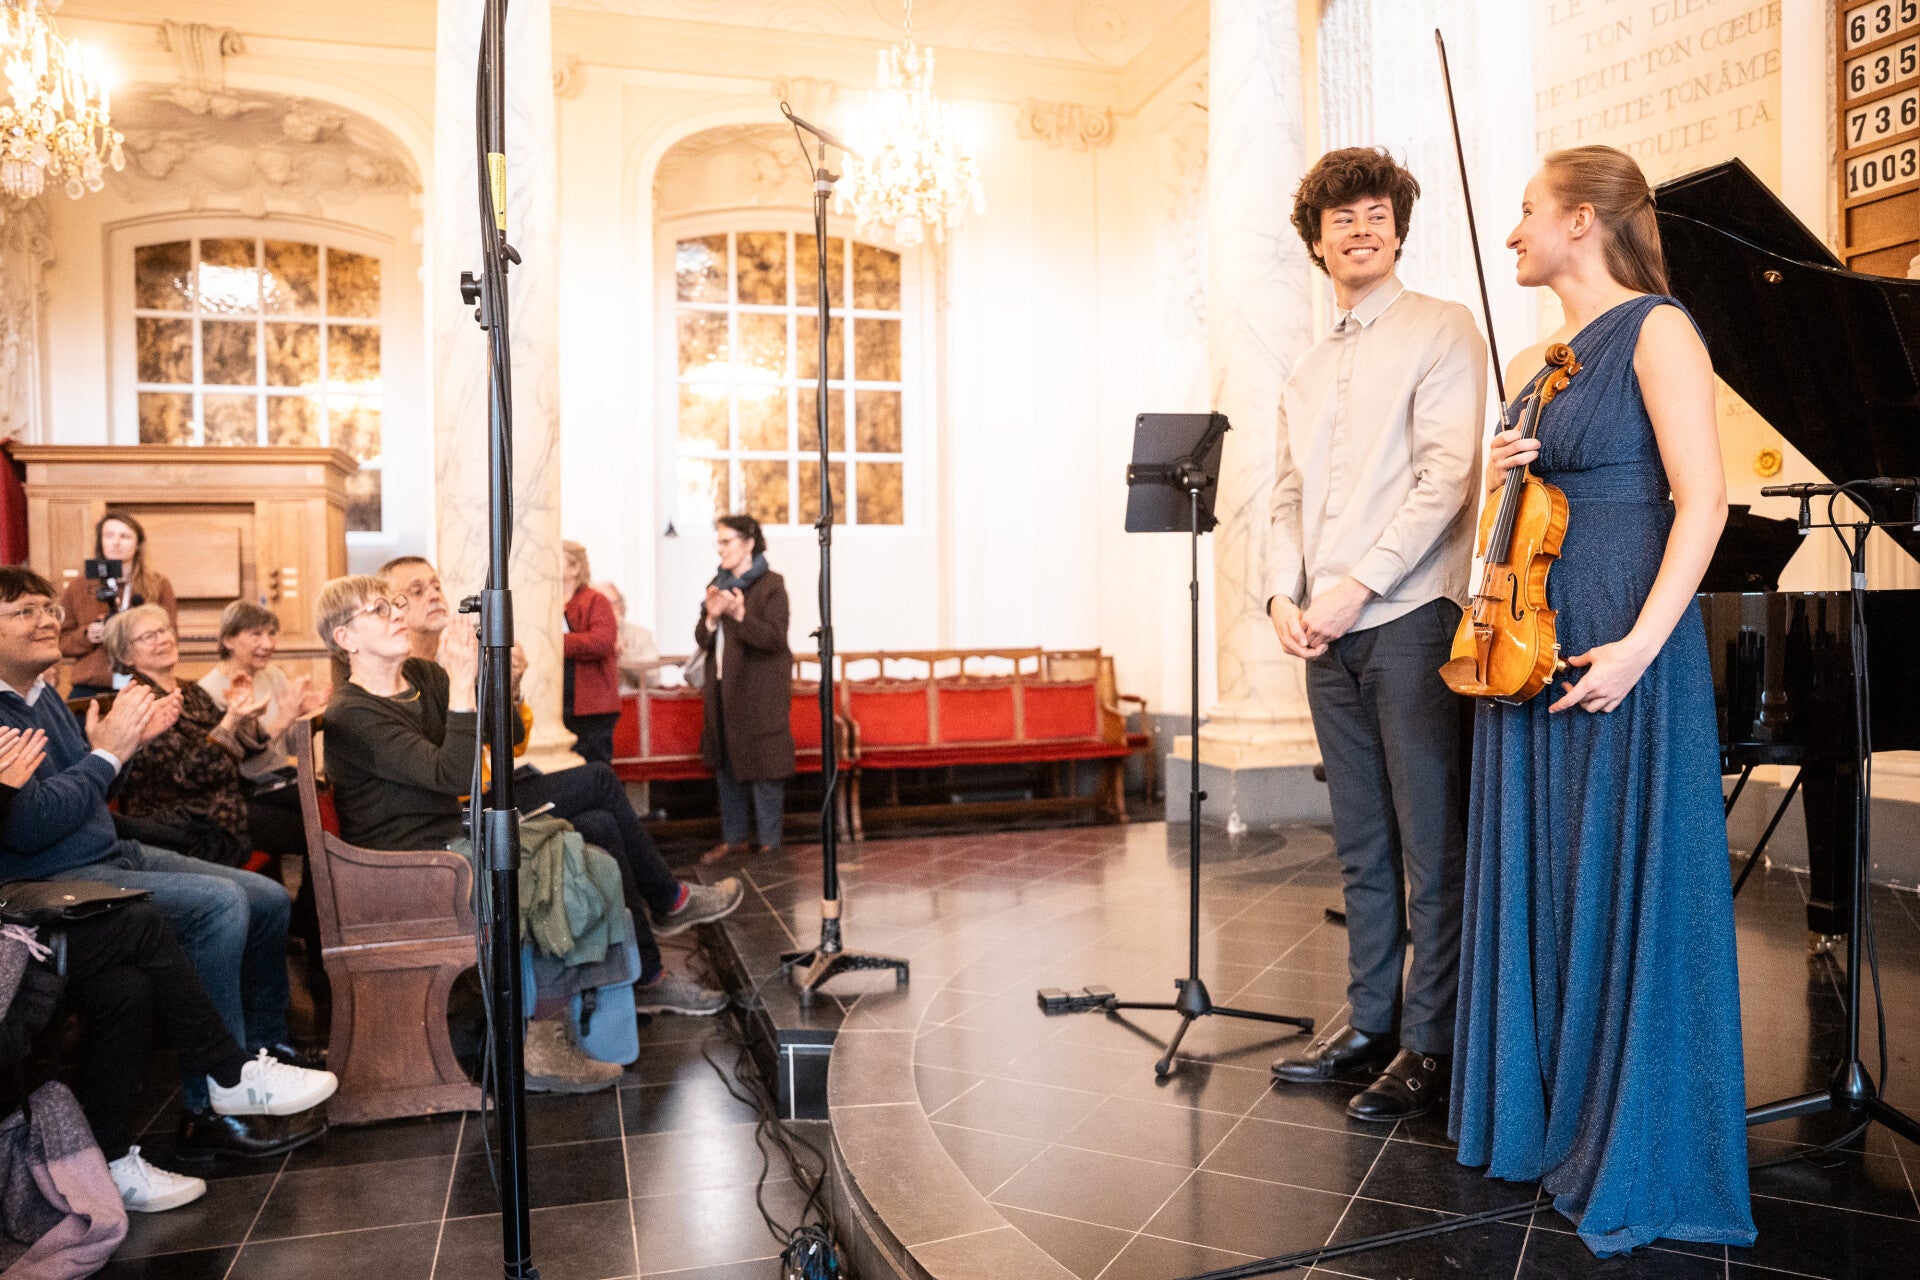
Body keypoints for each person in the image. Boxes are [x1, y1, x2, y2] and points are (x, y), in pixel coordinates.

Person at [1450, 144, 1753, 1256]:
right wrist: (1498, 475)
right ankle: (1546, 1118)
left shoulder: (1660, 330)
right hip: (1530, 629)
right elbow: (1507, 520)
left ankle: (1631, 1132)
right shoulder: (1534, 357)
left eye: (1528, 210)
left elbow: (1705, 502)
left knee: (1619, 868)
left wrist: (1638, 648)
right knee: (1546, 866)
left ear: (1583, 219)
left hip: (1625, 630)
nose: (1513, 231)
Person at [1264, 147, 1485, 1122]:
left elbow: (1447, 478)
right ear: (1317, 242)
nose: (1361, 228)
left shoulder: (1444, 327)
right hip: (1325, 631)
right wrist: (1283, 596)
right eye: (1342, 217)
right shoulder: (1305, 369)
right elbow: (1286, 496)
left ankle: (1432, 1044)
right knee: (1360, 842)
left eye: (1376, 213)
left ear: (1398, 229)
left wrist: (1356, 587)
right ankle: (1372, 1025)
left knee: (1431, 845)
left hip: (1409, 617)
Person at [317, 577, 738, 1051]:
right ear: (345, 638)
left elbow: (508, 733)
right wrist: (461, 685)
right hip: (416, 864)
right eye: (379, 608)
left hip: (457, 834)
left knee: (597, 831)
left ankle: (594, 1007)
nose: (397, 613)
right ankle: (542, 1034)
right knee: (573, 840)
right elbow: (452, 776)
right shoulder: (351, 713)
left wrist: (505, 683)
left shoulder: (420, 675)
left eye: (395, 602)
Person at [0, 567, 317, 1160]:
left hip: (108, 850)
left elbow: (91, 789)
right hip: (56, 875)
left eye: (50, 610)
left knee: (268, 896)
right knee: (219, 905)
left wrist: (121, 749)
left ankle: (263, 1050)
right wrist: (109, 752)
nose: (47, 621)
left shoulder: (42, 698)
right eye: (24, 612)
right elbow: (31, 824)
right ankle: (215, 1101)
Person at [104, 604, 289, 868]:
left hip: (223, 800)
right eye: (149, 637)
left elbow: (240, 754)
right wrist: (231, 720)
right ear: (126, 655)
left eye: (164, 630)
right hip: (186, 820)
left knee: (309, 808)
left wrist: (245, 716)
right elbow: (187, 776)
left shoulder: (191, 691)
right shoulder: (138, 703)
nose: (163, 640)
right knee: (307, 826)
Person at [695, 515, 794, 862]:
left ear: (749, 543)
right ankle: (734, 837)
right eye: (718, 542)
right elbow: (702, 638)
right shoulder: (716, 584)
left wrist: (739, 615)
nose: (720, 549)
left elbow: (774, 638)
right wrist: (711, 618)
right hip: (724, 690)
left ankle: (769, 843)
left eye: (727, 541)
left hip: (760, 693)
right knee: (727, 763)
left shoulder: (771, 585)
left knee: (765, 767)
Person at [59, 513, 176, 699]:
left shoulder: (158, 584)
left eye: (124, 536)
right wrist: (87, 635)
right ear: (100, 542)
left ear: (138, 544)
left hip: (144, 684)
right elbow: (60, 641)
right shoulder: (80, 586)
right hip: (92, 686)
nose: (116, 542)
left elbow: (171, 636)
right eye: (109, 535)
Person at [560, 542, 621, 766]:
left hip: (591, 705)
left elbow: (602, 642)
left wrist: (557, 643)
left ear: (575, 568)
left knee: (594, 766)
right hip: (559, 702)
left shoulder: (595, 600)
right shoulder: (549, 602)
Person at [595, 579, 662, 693]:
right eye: (600, 604)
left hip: (632, 700)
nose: (606, 609)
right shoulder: (584, 637)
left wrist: (624, 652)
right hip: (597, 699)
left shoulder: (641, 635)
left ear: (621, 607)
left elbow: (652, 679)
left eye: (612, 603)